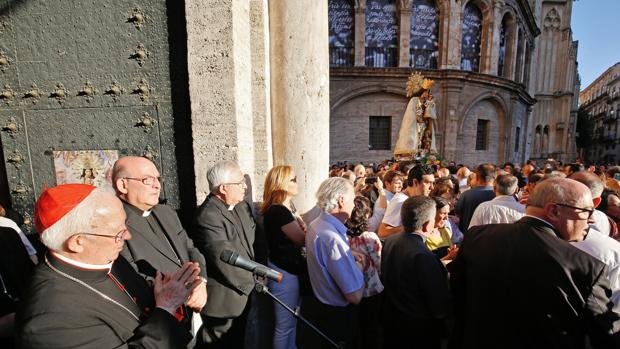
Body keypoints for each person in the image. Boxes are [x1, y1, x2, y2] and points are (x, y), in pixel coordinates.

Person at [17, 184, 200, 348]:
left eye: (125, 225)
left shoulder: (105, 257)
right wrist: (166, 309)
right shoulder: (53, 318)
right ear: (77, 243)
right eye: (118, 233)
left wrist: (161, 292)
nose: (128, 236)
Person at [448, 178, 620, 348]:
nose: (591, 220)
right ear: (553, 211)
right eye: (587, 211)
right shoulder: (585, 266)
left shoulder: (478, 236)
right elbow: (605, 332)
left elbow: (457, 295)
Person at [112, 156, 208, 329]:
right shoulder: (115, 223)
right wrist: (185, 291)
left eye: (157, 178)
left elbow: (191, 249)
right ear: (123, 185)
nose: (157, 185)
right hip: (156, 319)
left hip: (192, 312)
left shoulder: (166, 212)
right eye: (147, 179)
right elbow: (131, 276)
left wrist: (201, 282)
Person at [192, 160, 257, 348]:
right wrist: (253, 283)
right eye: (240, 182)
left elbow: (255, 242)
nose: (245, 186)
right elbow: (224, 257)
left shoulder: (241, 207)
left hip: (243, 293)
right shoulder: (208, 215)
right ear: (223, 188)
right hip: (224, 299)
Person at [297, 177, 364, 349]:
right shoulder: (332, 238)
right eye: (353, 200)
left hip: (322, 311)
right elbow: (355, 295)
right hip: (337, 318)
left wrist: (348, 256)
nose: (354, 205)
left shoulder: (316, 224)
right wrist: (359, 266)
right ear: (342, 200)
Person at [381, 196, 450, 349]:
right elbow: (437, 301)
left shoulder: (391, 240)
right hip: (417, 330)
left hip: (392, 323)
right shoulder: (423, 255)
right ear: (427, 225)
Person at [260, 165, 306, 349]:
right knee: (285, 325)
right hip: (283, 272)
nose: (297, 182)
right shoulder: (278, 211)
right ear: (281, 184)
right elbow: (301, 239)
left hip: (287, 269)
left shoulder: (285, 208)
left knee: (290, 322)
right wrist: (305, 228)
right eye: (293, 179)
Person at [346, 196, 383, 349]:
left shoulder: (343, 236)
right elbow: (379, 262)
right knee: (372, 329)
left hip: (352, 288)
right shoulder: (369, 237)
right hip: (372, 289)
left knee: (357, 328)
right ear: (365, 215)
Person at [378, 164, 435, 238]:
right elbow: (382, 232)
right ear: (415, 182)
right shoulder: (400, 201)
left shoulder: (413, 199)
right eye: (428, 182)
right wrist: (414, 228)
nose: (432, 187)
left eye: (433, 183)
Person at [454, 163, 496, 232]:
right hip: (491, 235)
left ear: (476, 177)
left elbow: (458, 214)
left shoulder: (466, 194)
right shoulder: (498, 195)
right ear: (494, 177)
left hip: (469, 235)